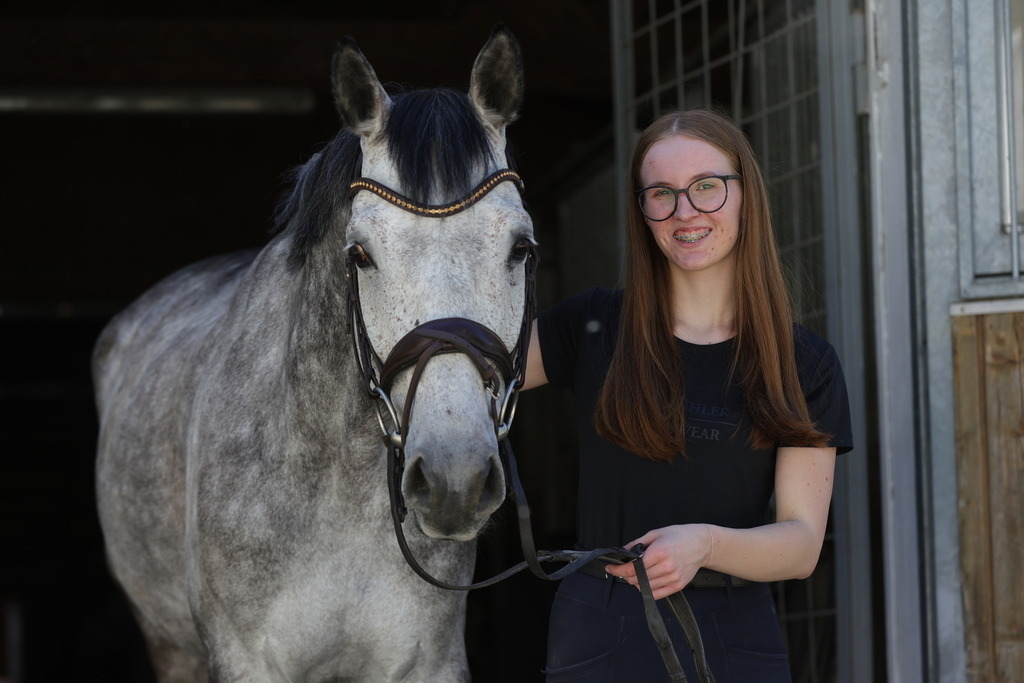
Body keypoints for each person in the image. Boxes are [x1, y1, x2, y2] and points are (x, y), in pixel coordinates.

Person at [523, 108, 853, 682]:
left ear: (745, 193)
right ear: (643, 210)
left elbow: (801, 544)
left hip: (735, 631)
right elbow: (461, 370)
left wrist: (705, 544)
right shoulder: (591, 326)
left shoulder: (803, 363)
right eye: (662, 194)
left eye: (706, 187)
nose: (685, 212)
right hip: (600, 627)